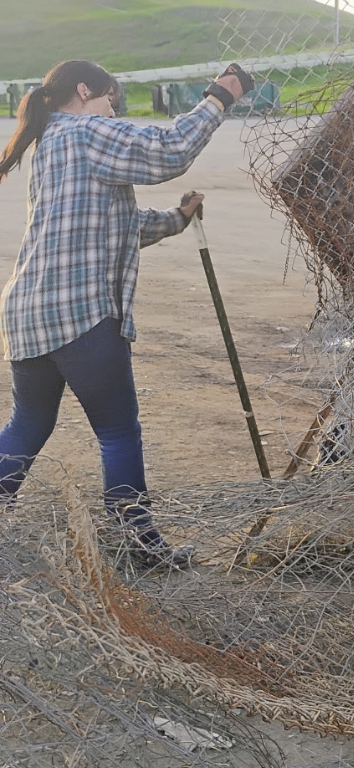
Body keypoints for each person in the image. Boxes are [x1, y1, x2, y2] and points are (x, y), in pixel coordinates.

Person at [0, 56, 251, 563]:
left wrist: (177, 219)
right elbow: (170, 151)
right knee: (118, 431)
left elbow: (119, 227)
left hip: (27, 311)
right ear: (87, 89)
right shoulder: (87, 129)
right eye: (113, 99)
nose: (115, 112)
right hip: (81, 313)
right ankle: (141, 545)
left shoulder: (54, 142)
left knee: (29, 422)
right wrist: (221, 94)